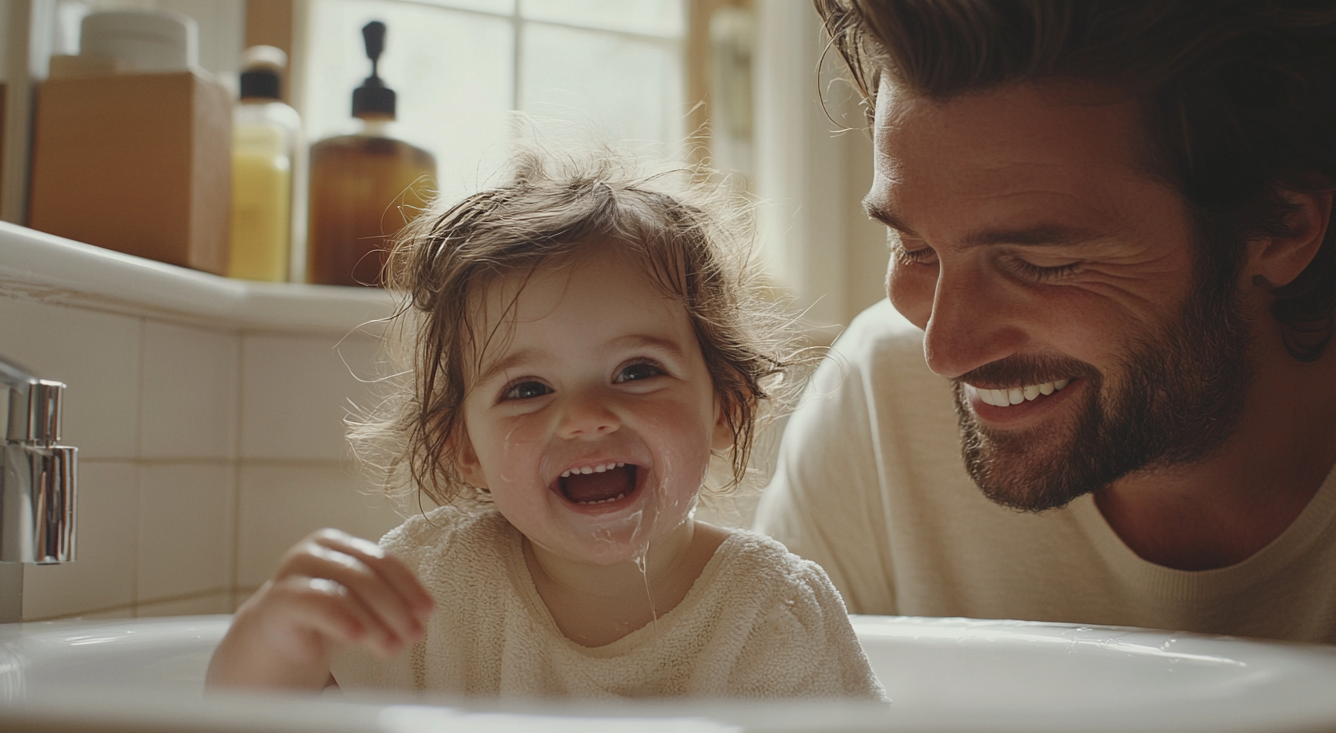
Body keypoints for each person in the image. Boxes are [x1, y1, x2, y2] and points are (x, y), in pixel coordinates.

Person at [754, 0, 1336, 687]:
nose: (945, 351)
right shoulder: (878, 399)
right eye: (915, 249)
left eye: (1038, 262)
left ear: (1282, 225)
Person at [206, 145, 887, 701]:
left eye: (637, 370)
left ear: (725, 409)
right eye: (528, 388)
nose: (586, 416)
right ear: (464, 447)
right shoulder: (435, 584)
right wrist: (275, 638)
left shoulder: (771, 613)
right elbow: (247, 721)